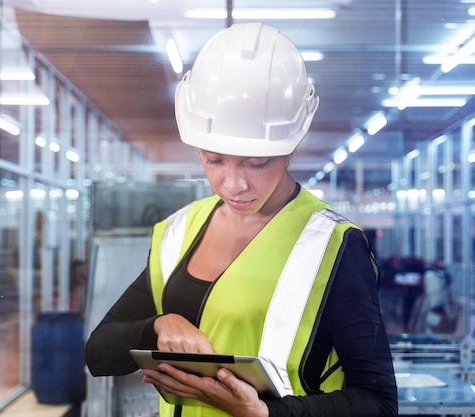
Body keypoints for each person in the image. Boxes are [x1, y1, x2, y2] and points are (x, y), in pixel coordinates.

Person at [85, 22, 398, 417]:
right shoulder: (179, 231)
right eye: (213, 159)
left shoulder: (332, 244)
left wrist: (261, 413)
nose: (232, 184)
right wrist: (159, 326)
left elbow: (378, 402)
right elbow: (99, 352)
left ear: (290, 146)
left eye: (257, 163)